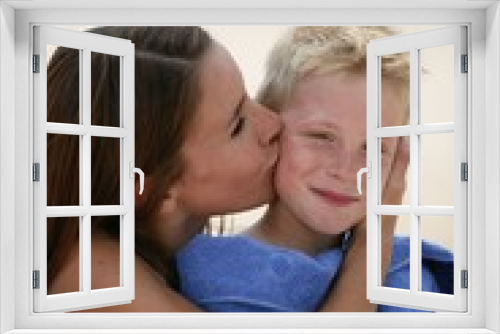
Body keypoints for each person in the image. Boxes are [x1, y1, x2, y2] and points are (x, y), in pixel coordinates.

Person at [176, 26, 454, 312]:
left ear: (399, 158)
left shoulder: (408, 272)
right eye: (321, 136)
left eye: (373, 148)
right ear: (270, 126)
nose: (345, 170)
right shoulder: (210, 274)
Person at [46, 26, 283, 312]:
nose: (274, 123)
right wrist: (355, 253)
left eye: (248, 98)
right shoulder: (94, 277)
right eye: (238, 126)